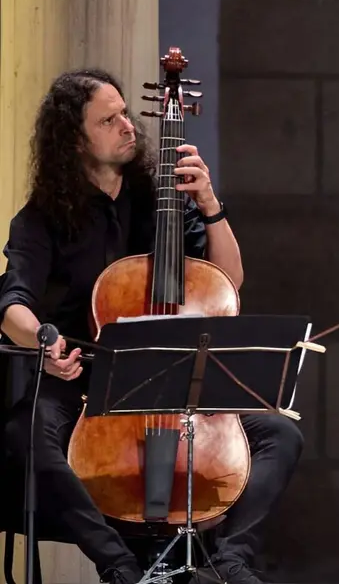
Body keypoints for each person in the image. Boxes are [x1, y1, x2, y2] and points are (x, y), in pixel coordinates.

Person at [0, 69, 303, 584]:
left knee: (280, 435)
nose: (127, 126)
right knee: (24, 435)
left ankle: (230, 558)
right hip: (84, 381)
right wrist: (44, 342)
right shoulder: (42, 218)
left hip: (175, 382)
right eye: (108, 120)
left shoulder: (162, 201)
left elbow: (228, 281)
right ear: (74, 140)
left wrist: (209, 206)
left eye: (125, 113)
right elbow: (13, 304)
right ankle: (117, 565)